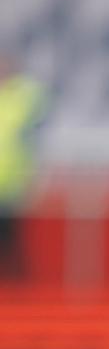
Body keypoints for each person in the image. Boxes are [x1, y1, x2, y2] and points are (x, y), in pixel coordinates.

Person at [0, 53, 47, 281]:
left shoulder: (25, 94)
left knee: (10, 235)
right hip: (10, 176)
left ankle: (17, 284)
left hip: (11, 179)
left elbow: (36, 125)